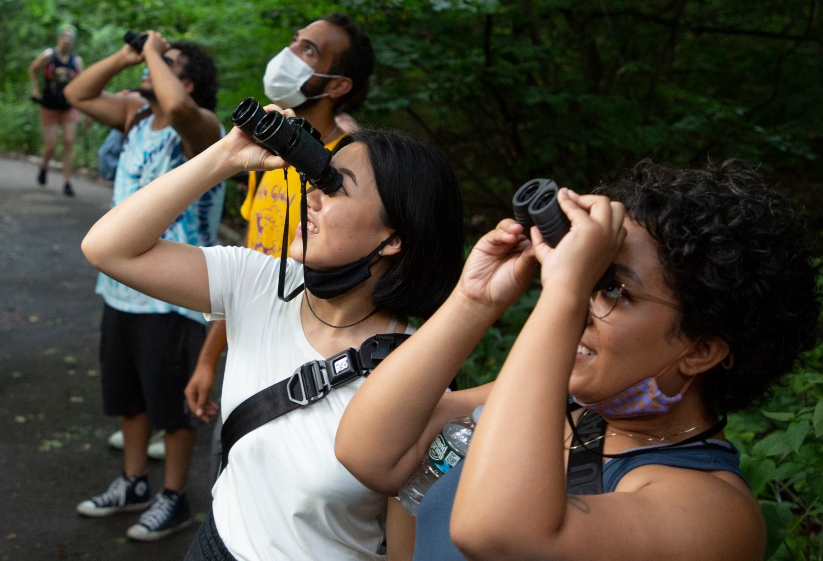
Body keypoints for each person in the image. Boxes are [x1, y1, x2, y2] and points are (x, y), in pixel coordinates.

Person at [336, 161, 821, 560]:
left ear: (700, 351)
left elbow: (497, 531)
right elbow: (370, 451)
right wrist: (475, 300)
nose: (586, 300)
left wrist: (566, 292)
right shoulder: (566, 408)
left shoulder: (711, 513)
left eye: (614, 288)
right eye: (589, 277)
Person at [81, 113, 466, 558]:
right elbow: (107, 248)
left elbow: (407, 545)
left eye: (335, 187)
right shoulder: (259, 284)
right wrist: (226, 156)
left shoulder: (417, 374)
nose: (311, 199)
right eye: (316, 182)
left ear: (393, 237)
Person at [184, 13, 376, 474]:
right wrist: (210, 357)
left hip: (306, 367)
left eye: (309, 51)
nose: (289, 55)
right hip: (248, 349)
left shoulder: (353, 176)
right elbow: (253, 267)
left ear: (337, 86)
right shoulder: (268, 159)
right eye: (294, 41)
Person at [63, 31, 225, 541]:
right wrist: (126, 54)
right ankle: (134, 483)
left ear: (188, 79)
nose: (149, 68)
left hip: (175, 292)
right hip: (121, 286)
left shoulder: (201, 129)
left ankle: (173, 497)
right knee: (128, 395)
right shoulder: (134, 116)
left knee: (173, 405)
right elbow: (77, 95)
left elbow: (177, 106)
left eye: (167, 62)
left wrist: (155, 51)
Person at [29, 26, 85, 196]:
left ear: (73, 41)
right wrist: (36, 90)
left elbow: (84, 83)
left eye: (70, 37)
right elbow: (32, 69)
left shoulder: (76, 61)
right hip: (50, 105)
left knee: (68, 142)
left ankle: (67, 182)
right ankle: (44, 166)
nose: (67, 39)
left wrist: (86, 109)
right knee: (51, 145)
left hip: (69, 106)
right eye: (64, 36)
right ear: (58, 39)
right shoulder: (48, 56)